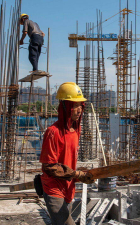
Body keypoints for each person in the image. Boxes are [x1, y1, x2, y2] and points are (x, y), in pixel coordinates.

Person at [39, 82, 95, 225]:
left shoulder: (76, 130)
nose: (79, 110)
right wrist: (77, 174)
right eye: (75, 105)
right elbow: (49, 167)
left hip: (69, 187)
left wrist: (77, 176)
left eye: (81, 105)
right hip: (53, 188)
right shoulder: (53, 132)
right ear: (65, 106)